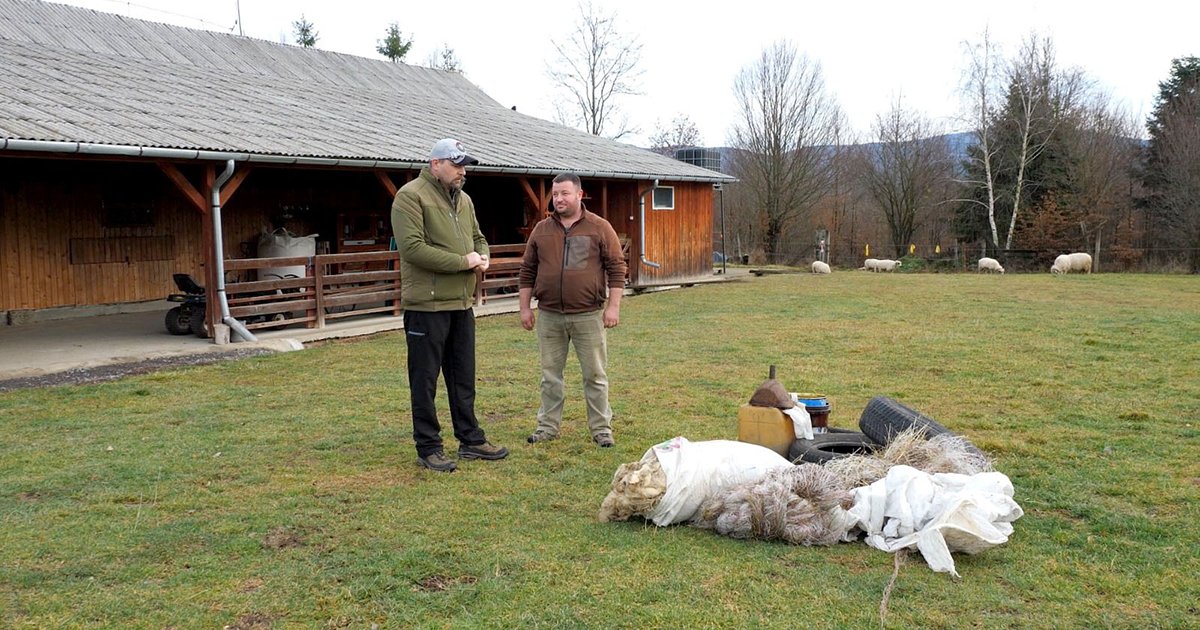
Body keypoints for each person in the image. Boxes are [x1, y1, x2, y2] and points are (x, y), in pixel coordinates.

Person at [391, 138, 509, 472]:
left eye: (464, 165)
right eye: (456, 165)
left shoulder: (465, 200)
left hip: (460, 302)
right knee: (424, 379)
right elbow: (413, 249)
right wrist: (463, 261)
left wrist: (482, 254)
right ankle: (428, 446)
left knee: (462, 377)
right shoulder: (410, 196)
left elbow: (478, 236)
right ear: (435, 164)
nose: (462, 171)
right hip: (426, 306)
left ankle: (471, 440)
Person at [518, 173, 627, 448]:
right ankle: (547, 427)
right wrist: (524, 309)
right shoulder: (541, 230)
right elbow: (527, 270)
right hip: (550, 315)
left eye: (565, 193)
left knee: (595, 375)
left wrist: (613, 307)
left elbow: (617, 268)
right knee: (550, 376)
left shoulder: (599, 228)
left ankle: (602, 430)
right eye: (555, 194)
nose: (559, 199)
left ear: (580, 195)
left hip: (588, 316)